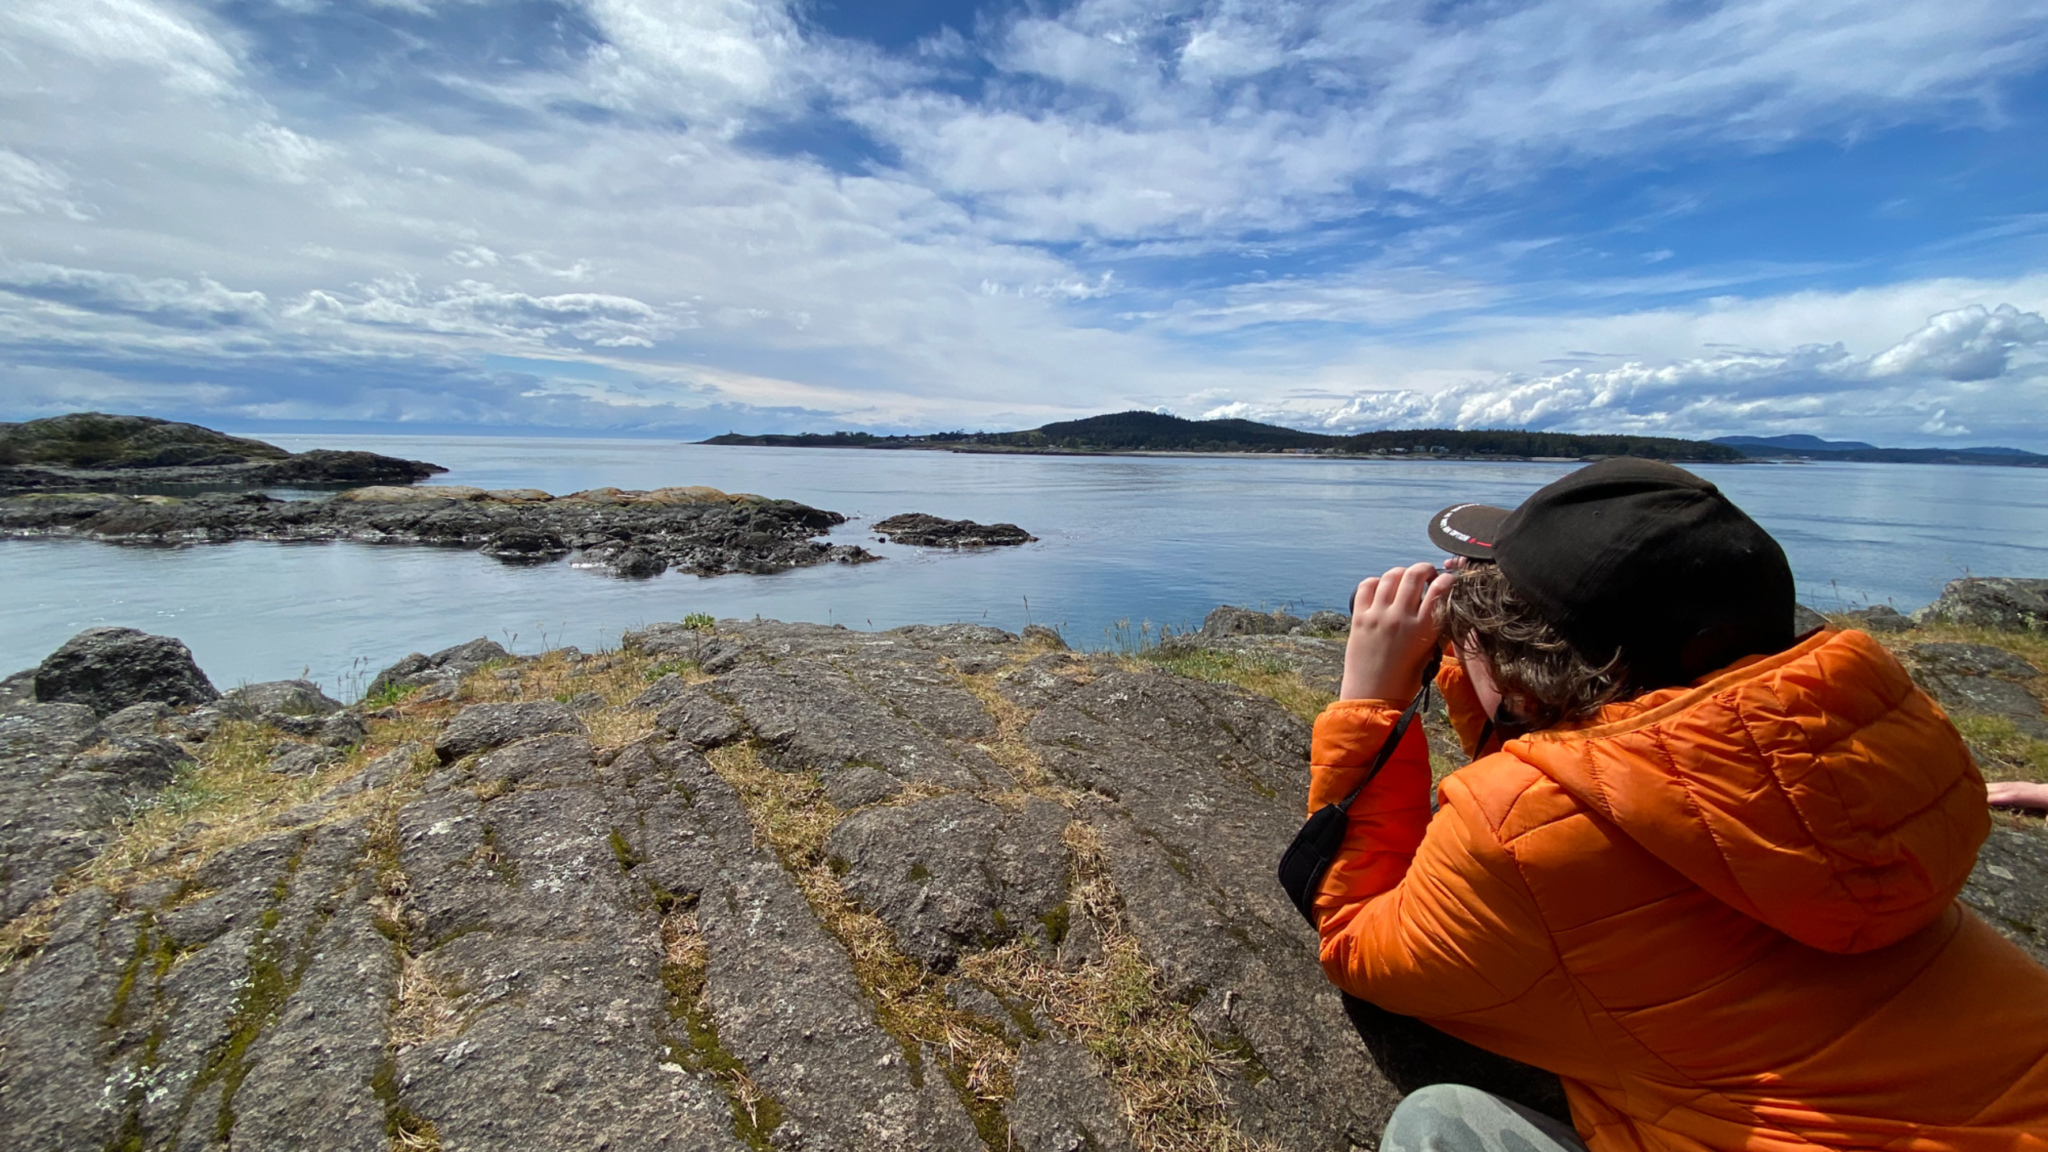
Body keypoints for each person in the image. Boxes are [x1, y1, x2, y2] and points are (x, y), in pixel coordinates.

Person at [1307, 458, 2048, 1152]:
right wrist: (1498, 678)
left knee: (1438, 1124)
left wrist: (1370, 701)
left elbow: (1355, 943)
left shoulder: (1523, 826)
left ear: (1522, 675)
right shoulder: (1855, 752)